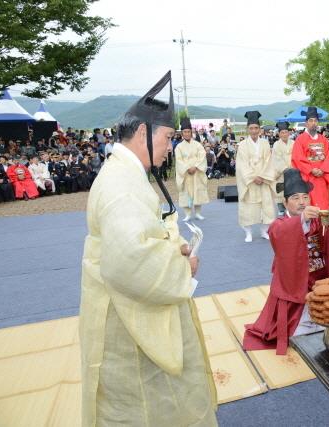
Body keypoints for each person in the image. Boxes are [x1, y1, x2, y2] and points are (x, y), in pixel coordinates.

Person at [79, 71, 217, 426]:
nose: (171, 146)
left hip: (122, 304)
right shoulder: (121, 186)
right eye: (169, 137)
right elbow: (130, 261)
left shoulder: (126, 175)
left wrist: (174, 247)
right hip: (123, 317)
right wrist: (181, 269)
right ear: (144, 132)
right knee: (140, 403)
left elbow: (143, 236)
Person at [243, 168, 329, 355]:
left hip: (319, 281)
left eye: (305, 197)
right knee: (297, 334)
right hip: (294, 284)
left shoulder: (316, 220)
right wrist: (303, 220)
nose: (302, 202)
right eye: (296, 198)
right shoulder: (280, 225)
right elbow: (279, 234)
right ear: (285, 202)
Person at [236, 110, 276, 242]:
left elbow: (269, 161)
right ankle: (248, 232)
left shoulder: (265, 143)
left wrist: (263, 177)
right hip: (250, 181)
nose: (254, 131)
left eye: (256, 128)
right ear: (247, 129)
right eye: (251, 128)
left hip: (264, 179)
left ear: (260, 129)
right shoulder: (242, 145)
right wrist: (254, 177)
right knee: (248, 207)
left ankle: (264, 230)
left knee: (267, 207)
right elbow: (242, 165)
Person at [291, 106, 329, 209]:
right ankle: (310, 225)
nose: (313, 123)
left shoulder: (323, 139)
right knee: (309, 205)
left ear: (318, 123)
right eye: (311, 120)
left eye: (315, 121)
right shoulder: (300, 140)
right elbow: (297, 158)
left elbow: (328, 157)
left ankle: (322, 225)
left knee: (323, 204)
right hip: (307, 179)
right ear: (306, 123)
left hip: (321, 178)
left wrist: (322, 169)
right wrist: (311, 170)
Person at [175, 117, 209, 221]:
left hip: (196, 172)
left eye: (188, 132)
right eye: (184, 132)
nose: (186, 134)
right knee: (186, 192)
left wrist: (196, 167)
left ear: (191, 132)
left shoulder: (198, 145)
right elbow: (179, 160)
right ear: (182, 133)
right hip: (186, 173)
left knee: (197, 191)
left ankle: (198, 213)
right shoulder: (179, 147)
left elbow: (202, 156)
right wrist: (187, 168)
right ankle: (188, 214)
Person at [271, 121, 295, 215]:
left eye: (286, 132)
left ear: (289, 133)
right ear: (279, 134)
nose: (284, 134)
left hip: (293, 174)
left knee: (292, 195)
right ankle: (281, 212)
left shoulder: (294, 143)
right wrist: (286, 169)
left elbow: (296, 157)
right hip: (281, 174)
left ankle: (291, 212)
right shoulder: (276, 145)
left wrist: (292, 169)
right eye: (282, 132)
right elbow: (276, 160)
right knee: (281, 195)